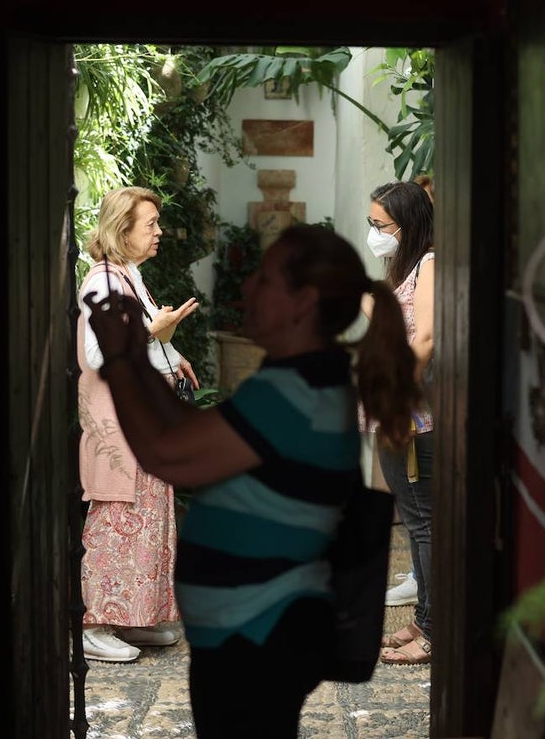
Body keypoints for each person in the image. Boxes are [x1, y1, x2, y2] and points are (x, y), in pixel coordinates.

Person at [84, 224, 422, 737]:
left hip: (262, 622)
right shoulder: (304, 374)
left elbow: (172, 454)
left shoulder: (296, 387)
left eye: (264, 281)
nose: (246, 290)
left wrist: (124, 358)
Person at [76, 186, 201, 663]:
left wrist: (172, 350)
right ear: (120, 230)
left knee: (146, 520)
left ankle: (130, 617)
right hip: (119, 427)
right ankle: (94, 624)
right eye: (150, 224)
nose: (158, 232)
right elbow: (94, 355)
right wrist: (153, 331)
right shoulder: (101, 282)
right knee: (115, 520)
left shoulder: (129, 276)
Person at [362, 180, 436, 665]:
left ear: (406, 226)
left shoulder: (428, 264)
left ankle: (436, 630)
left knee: (425, 519)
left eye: (381, 225)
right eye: (371, 224)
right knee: (412, 519)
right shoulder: (401, 267)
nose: (374, 234)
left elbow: (426, 337)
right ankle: (424, 618)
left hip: (412, 412)